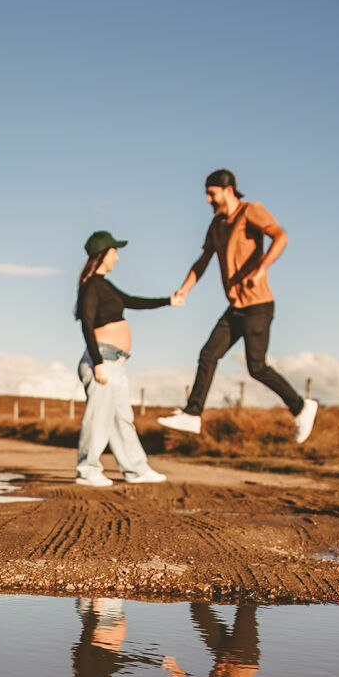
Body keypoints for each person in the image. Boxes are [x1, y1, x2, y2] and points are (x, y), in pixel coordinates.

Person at [158, 170, 318, 444]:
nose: (208, 199)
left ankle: (301, 407)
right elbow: (203, 260)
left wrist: (261, 268)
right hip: (235, 307)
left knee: (257, 368)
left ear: (228, 190)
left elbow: (280, 237)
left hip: (258, 305)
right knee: (208, 354)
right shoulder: (217, 225)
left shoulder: (250, 211)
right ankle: (193, 414)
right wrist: (184, 289)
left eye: (211, 193)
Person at [75, 229, 181, 486]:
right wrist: (99, 362)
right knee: (98, 417)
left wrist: (168, 300)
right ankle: (87, 470)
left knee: (122, 418)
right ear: (103, 254)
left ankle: (136, 470)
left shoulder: (105, 285)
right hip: (103, 360)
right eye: (114, 252)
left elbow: (132, 301)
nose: (118, 258)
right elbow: (87, 324)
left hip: (117, 362)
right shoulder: (91, 286)